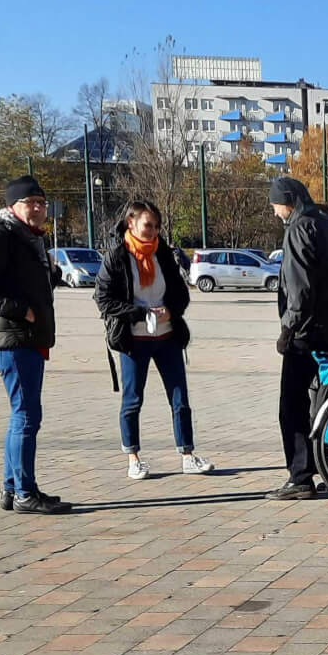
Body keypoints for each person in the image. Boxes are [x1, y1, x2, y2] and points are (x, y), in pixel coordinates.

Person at [0, 176, 70, 514]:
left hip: (24, 338)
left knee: (22, 414)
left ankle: (14, 488)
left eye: (41, 202)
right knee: (27, 415)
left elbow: (19, 280)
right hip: (12, 338)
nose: (36, 208)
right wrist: (21, 310)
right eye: (29, 202)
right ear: (13, 206)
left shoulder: (26, 237)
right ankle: (24, 493)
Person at [92, 201, 213, 481]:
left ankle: (187, 454)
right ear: (131, 223)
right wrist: (138, 312)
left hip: (167, 335)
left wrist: (170, 309)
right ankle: (133, 457)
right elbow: (104, 300)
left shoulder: (163, 254)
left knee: (180, 398)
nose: (153, 231)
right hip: (134, 339)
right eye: (148, 225)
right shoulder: (117, 257)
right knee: (133, 399)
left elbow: (181, 293)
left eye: (157, 226)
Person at [269, 175, 328, 500]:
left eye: (276, 205)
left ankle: (300, 476)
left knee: (292, 405)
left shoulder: (298, 229)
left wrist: (288, 330)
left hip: (307, 336)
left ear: (288, 201)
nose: (275, 212)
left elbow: (299, 288)